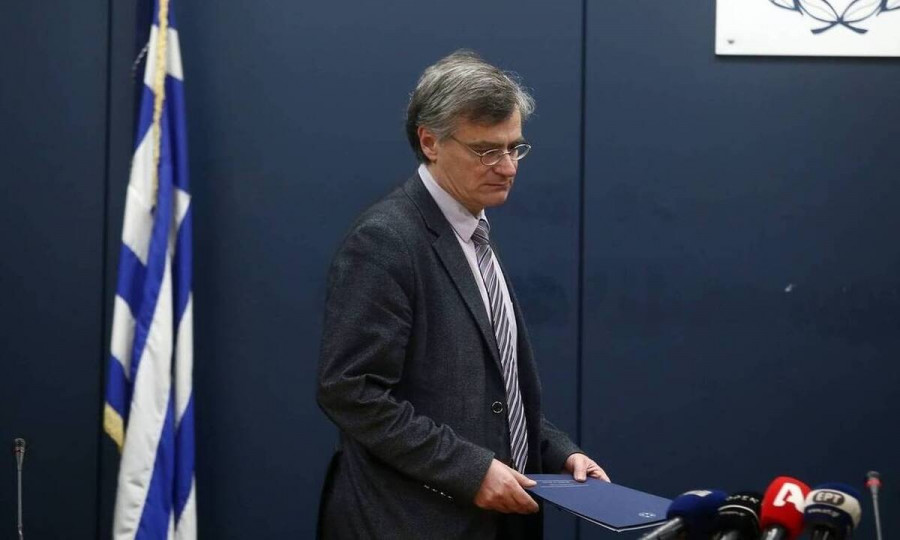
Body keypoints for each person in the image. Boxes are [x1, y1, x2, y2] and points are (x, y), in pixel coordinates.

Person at [316, 50, 608, 540]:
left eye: (515, 148)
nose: (507, 167)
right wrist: (470, 471)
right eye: (486, 151)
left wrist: (559, 452)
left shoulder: (472, 232)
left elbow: (495, 393)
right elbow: (351, 391)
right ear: (430, 142)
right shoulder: (386, 240)